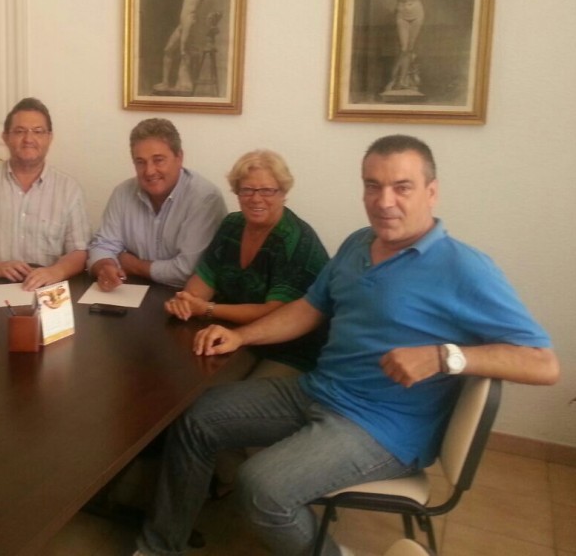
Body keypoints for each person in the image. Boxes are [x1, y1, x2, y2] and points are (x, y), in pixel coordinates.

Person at [135, 135, 558, 556]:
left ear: (432, 192)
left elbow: (543, 363)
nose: (384, 201)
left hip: (382, 427)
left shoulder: (463, 267)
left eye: (402, 187)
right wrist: (241, 335)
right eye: (373, 186)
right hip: (319, 390)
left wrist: (442, 356)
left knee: (261, 488)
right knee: (196, 417)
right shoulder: (358, 243)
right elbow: (308, 308)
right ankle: (160, 548)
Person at [165, 149, 329, 373]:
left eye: (267, 190)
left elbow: (274, 312)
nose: (256, 198)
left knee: (216, 390)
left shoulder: (294, 240)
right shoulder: (232, 225)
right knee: (176, 368)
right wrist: (187, 301)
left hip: (290, 350)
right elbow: (205, 278)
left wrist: (206, 309)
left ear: (283, 193)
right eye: (247, 190)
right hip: (233, 335)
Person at [0, 98, 90, 291]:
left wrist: (56, 272)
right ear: (5, 137)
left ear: (49, 138)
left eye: (38, 131)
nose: (28, 139)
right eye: (20, 131)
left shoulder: (69, 190)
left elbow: (80, 251)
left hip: (47, 290)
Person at [88, 118, 227, 290]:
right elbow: (102, 245)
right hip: (128, 292)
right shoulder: (122, 193)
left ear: (179, 157)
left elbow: (188, 270)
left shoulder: (205, 199)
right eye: (141, 162)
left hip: (185, 297)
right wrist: (105, 266)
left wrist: (135, 266)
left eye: (158, 160)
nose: (149, 171)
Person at [153, 0, 206, 94]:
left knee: (183, 51)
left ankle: (184, 85)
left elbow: (198, 8)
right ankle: (165, 82)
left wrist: (192, 22)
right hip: (182, 23)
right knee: (168, 50)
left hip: (189, 22)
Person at [385, 0, 429, 93]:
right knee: (404, 48)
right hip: (402, 12)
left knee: (410, 48)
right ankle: (394, 79)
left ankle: (402, 81)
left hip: (417, 13)